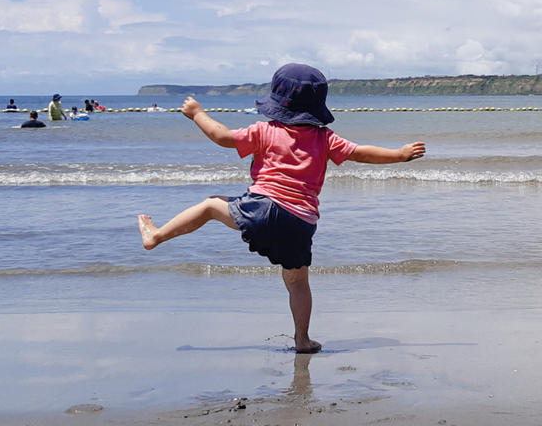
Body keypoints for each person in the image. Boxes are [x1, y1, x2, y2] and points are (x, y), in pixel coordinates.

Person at [138, 63, 425, 354]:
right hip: (301, 222)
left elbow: (223, 137)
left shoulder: (265, 130)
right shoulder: (326, 139)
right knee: (298, 281)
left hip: (263, 209)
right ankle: (302, 339)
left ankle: (157, 236)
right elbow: (361, 153)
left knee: (212, 205)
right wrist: (399, 155)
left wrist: (197, 114)